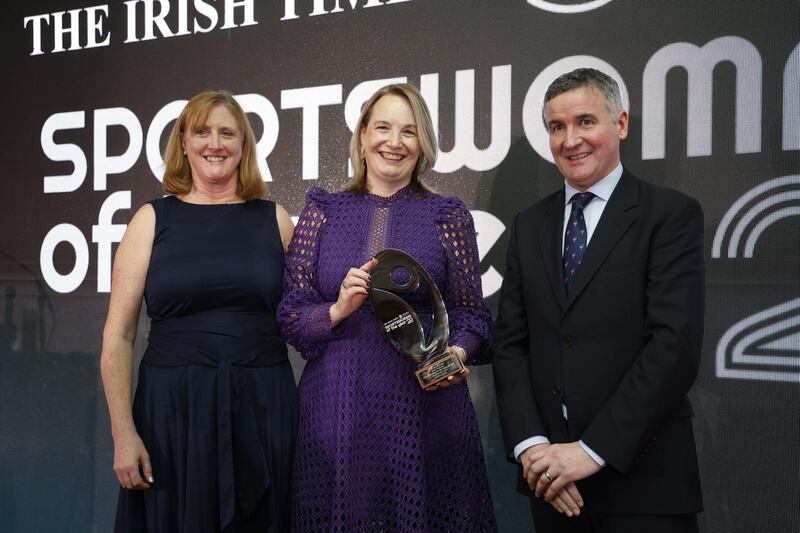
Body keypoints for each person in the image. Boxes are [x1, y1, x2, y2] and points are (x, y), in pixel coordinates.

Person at [277, 83, 497, 532]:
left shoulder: (447, 215)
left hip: (424, 408)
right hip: (338, 409)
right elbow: (290, 316)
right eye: (382, 127)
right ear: (361, 135)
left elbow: (473, 316)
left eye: (408, 132)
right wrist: (336, 310)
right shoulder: (323, 210)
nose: (393, 142)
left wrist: (455, 353)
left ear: (424, 145)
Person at [492, 68, 704, 532]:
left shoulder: (670, 216)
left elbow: (674, 348)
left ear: (621, 124)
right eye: (557, 127)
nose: (571, 140)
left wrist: (589, 452)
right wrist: (531, 446)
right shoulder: (528, 225)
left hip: (645, 488)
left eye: (586, 121)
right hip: (550, 485)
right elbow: (510, 344)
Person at [100, 90, 298, 532]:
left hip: (263, 407)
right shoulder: (150, 220)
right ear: (183, 144)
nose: (216, 143)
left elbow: (304, 316)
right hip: (171, 414)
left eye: (228, 132)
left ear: (244, 146)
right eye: (202, 131)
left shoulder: (277, 219)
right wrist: (123, 433)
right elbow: (118, 336)